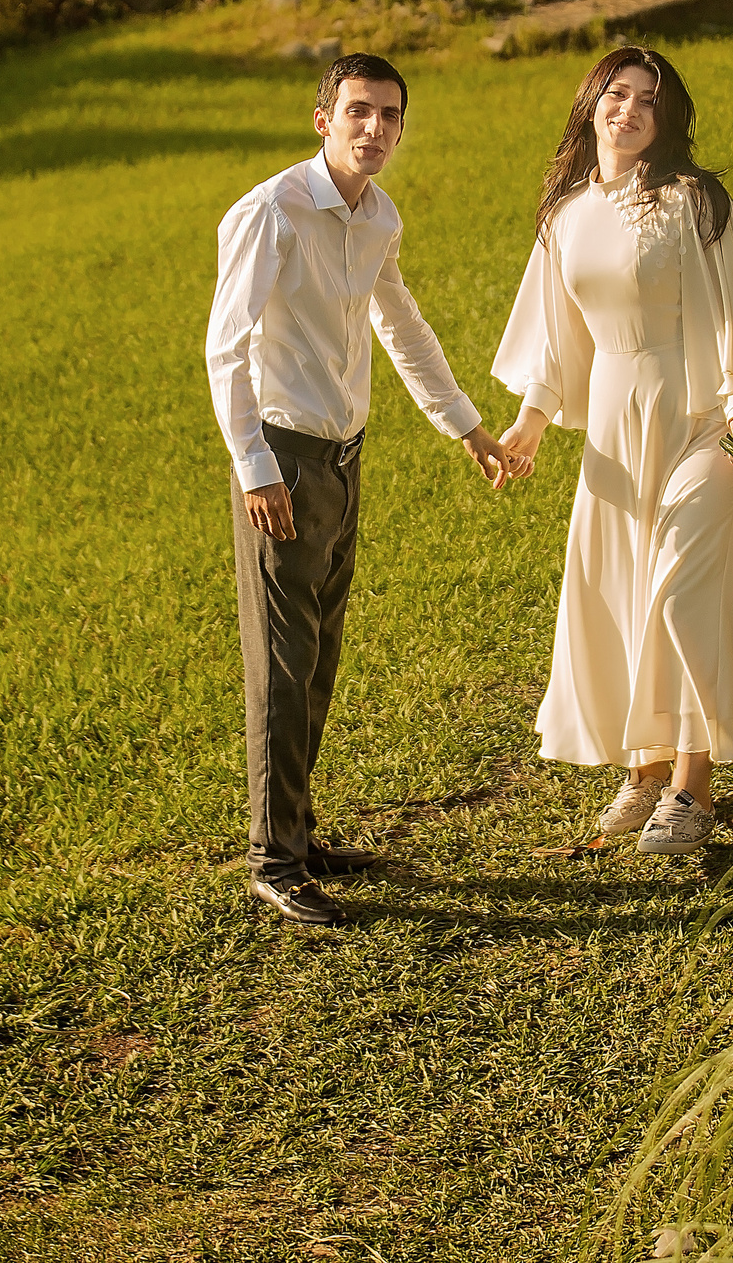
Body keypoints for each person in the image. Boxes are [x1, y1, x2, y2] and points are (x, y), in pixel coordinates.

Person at [206, 53, 521, 927]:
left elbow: (402, 323)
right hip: (284, 457)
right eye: (358, 111)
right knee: (280, 661)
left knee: (318, 654)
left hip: (344, 455)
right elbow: (226, 347)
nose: (374, 128)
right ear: (323, 119)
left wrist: (466, 426)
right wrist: (255, 467)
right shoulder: (272, 211)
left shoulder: (377, 215)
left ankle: (299, 832)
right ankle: (273, 860)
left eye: (389, 115)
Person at [494, 47, 733, 856]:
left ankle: (694, 789)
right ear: (592, 104)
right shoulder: (563, 217)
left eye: (648, 101)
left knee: (680, 594)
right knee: (624, 596)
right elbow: (554, 345)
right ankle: (648, 763)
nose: (628, 109)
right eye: (616, 94)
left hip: (704, 425)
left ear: (666, 122)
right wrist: (528, 424)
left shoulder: (694, 202)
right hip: (614, 437)